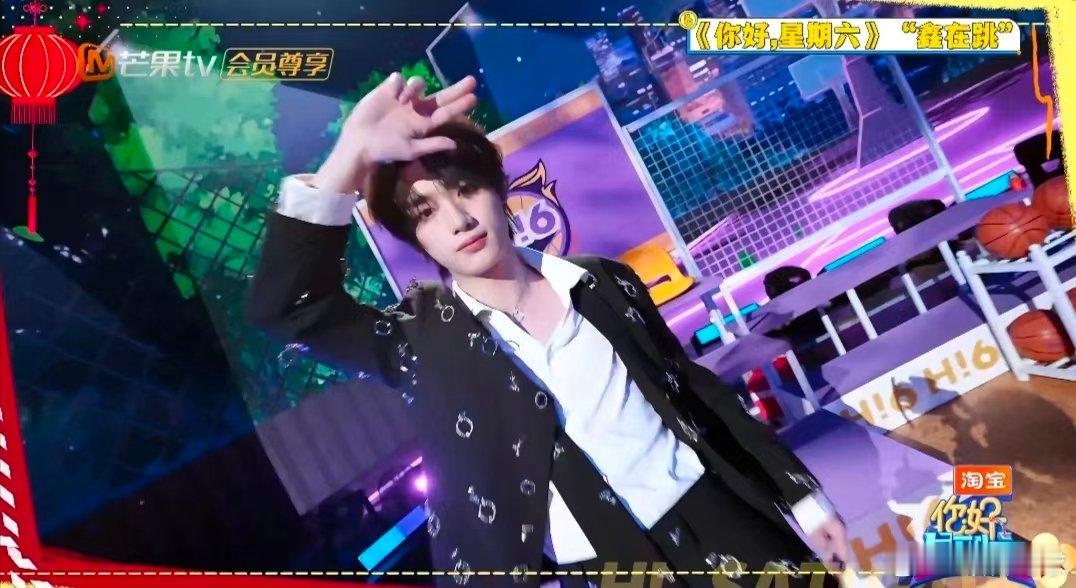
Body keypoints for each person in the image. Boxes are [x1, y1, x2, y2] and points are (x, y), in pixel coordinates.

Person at [246, 71, 850, 587]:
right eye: (425, 211)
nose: (458, 219)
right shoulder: (420, 343)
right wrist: (349, 156)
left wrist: (804, 497)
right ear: (416, 239)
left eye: (465, 189)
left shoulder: (602, 282)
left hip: (727, 527)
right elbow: (287, 309)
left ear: (497, 189)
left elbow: (694, 392)